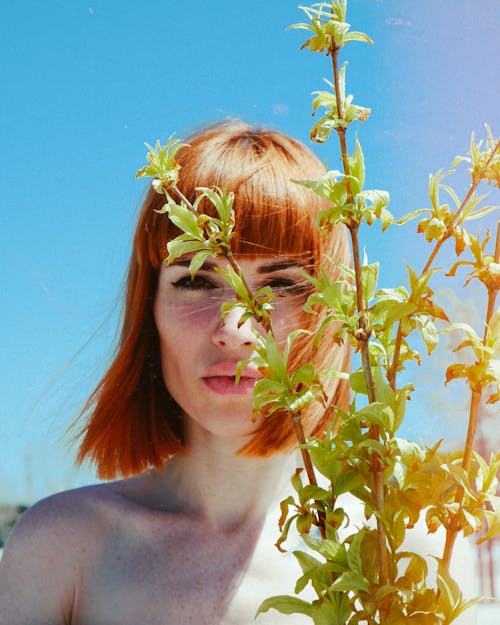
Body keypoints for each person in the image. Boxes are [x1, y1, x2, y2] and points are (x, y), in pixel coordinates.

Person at [0, 121, 475, 624]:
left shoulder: (407, 555)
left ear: (335, 314)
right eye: (198, 280)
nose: (236, 329)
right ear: (149, 311)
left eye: (283, 285)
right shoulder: (61, 547)